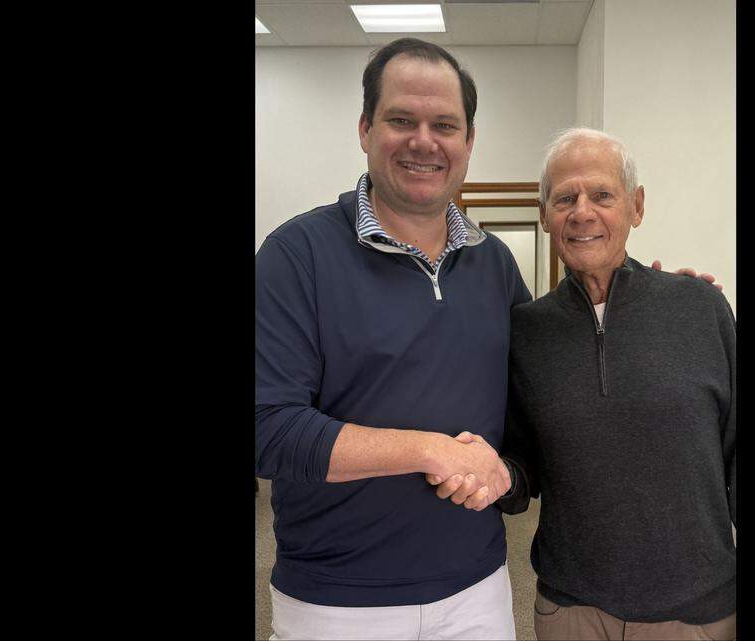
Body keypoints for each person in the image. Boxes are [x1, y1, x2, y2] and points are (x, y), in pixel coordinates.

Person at [256, 38, 721, 640]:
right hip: (338, 601)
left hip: (477, 590)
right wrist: (430, 450)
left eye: (444, 125)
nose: (425, 141)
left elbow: (549, 377)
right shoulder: (296, 256)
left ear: (468, 142)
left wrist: (659, 304)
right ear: (366, 128)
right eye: (402, 120)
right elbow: (268, 428)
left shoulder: (494, 263)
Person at [430, 128, 737, 640]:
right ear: (546, 212)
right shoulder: (527, 330)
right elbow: (525, 462)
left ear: (636, 207)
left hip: (696, 610)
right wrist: (496, 476)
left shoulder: (701, 308)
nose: (582, 212)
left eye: (602, 195)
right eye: (565, 198)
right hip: (570, 608)